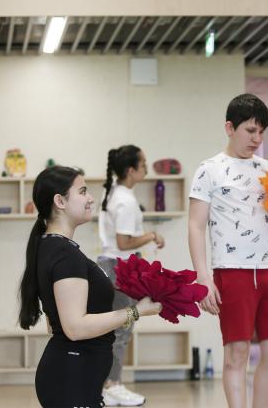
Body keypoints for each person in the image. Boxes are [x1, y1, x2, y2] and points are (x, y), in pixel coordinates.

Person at [188, 93, 268, 408]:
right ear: (230, 127)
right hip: (231, 273)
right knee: (236, 353)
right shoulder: (209, 169)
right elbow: (196, 226)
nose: (257, 138)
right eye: (250, 131)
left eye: (261, 132)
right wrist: (203, 277)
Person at [18, 165, 161, 408]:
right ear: (60, 201)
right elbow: (74, 328)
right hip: (72, 377)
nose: (91, 198)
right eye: (83, 191)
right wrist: (136, 311)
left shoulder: (52, 247)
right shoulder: (65, 255)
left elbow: (55, 325)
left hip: (73, 375)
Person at [98, 145, 165, 406]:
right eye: (144, 163)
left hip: (111, 265)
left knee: (115, 330)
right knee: (121, 331)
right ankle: (112, 385)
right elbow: (124, 243)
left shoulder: (112, 192)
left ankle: (109, 385)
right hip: (120, 268)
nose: (147, 167)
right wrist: (152, 235)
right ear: (130, 170)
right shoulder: (125, 199)